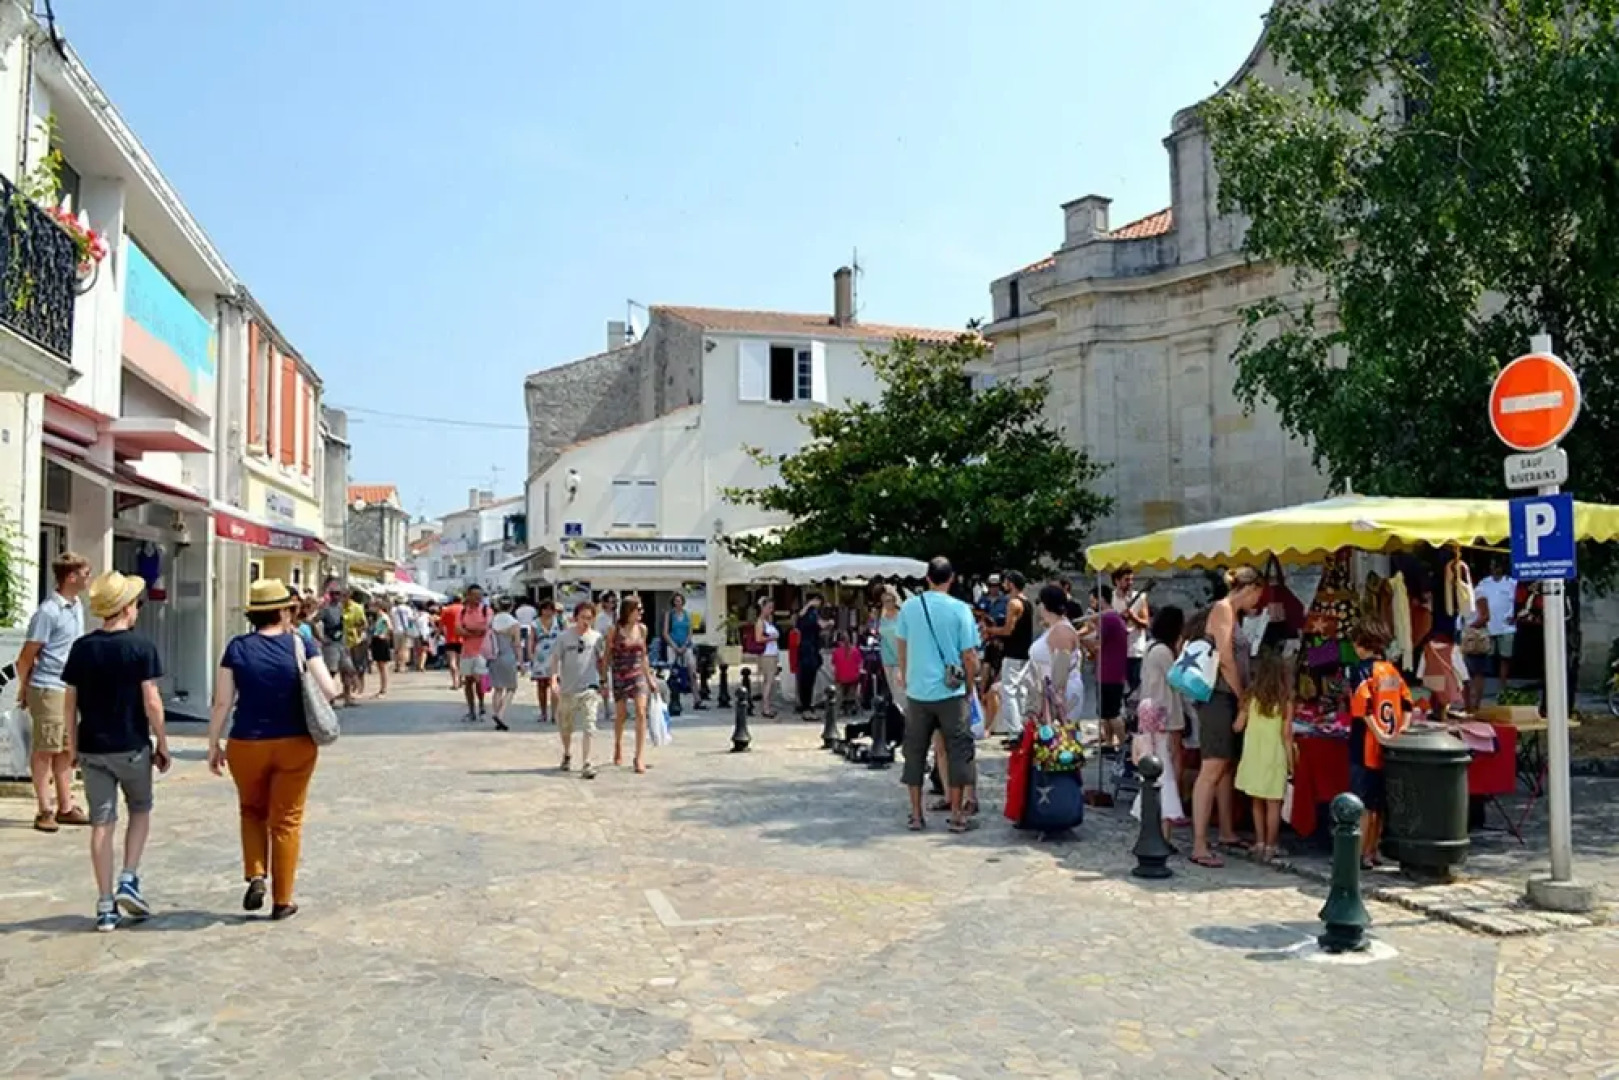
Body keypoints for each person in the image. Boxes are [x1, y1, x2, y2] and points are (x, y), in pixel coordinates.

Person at [207, 579, 341, 921]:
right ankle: (283, 900)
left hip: (246, 742)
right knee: (286, 820)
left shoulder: (236, 647)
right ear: (283, 611)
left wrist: (213, 744)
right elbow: (328, 690)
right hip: (295, 742)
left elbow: (222, 701)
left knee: (251, 810)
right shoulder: (301, 644)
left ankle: (256, 874)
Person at [61, 571, 170, 931]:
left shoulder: (82, 647)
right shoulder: (140, 647)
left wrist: (71, 746)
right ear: (125, 608)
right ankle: (129, 876)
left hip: (92, 746)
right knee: (140, 808)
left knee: (101, 823)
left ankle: (105, 903)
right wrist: (163, 742)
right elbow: (151, 700)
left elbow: (70, 702)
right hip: (132, 745)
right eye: (135, 603)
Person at [895, 557, 980, 834]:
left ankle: (916, 814)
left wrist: (907, 679)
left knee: (915, 753)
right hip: (950, 692)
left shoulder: (909, 608)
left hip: (918, 692)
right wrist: (969, 686)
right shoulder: (960, 610)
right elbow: (969, 655)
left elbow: (902, 647)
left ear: (927, 578)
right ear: (951, 578)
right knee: (959, 752)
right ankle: (957, 814)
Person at [1189, 567, 1265, 869]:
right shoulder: (1223, 609)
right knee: (1212, 767)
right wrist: (1242, 695)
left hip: (1226, 697)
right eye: (1259, 592)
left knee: (1224, 766)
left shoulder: (1233, 613)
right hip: (1219, 697)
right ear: (1251, 588)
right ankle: (1198, 843)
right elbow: (1226, 658)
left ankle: (1225, 831)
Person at [18, 551, 92, 832]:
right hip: (48, 685)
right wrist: (23, 688)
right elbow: (28, 655)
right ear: (71, 576)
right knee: (45, 748)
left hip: (69, 686)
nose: (88, 579)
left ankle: (65, 804)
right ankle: (44, 808)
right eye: (85, 573)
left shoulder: (76, 607)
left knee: (65, 747)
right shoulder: (48, 611)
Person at [1349, 623, 1413, 869]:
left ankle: (1358, 854)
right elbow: (1408, 703)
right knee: (1379, 804)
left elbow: (1362, 708)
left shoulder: (1362, 672)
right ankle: (1372, 850)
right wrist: (1400, 730)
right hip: (1389, 743)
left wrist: (1376, 733)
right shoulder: (1391, 672)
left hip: (1365, 743)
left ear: (1361, 645)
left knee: (1362, 803)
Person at [1234, 641, 1296, 862]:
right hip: (1274, 755)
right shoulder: (1284, 701)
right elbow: (1286, 735)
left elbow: (1238, 726)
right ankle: (1271, 845)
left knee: (1256, 801)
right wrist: (1291, 763)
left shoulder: (1251, 697)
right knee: (1273, 804)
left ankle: (1259, 842)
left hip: (1253, 754)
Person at [1134, 605, 1189, 834]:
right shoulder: (1164, 652)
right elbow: (1178, 679)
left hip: (1152, 710)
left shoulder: (1150, 648)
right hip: (1166, 711)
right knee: (1170, 759)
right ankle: (1170, 804)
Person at [553, 600, 604, 779]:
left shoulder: (597, 638)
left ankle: (587, 762)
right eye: (583, 617)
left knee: (590, 725)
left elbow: (601, 661)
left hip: (589, 687)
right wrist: (554, 680)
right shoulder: (564, 637)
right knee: (566, 726)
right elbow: (555, 660)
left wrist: (604, 681)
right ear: (575, 618)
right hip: (568, 689)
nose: (586, 621)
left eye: (589, 618)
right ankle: (567, 753)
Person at [606, 596, 655, 773]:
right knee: (621, 714)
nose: (641, 612)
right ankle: (618, 744)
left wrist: (649, 678)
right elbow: (607, 656)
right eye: (638, 609)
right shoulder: (614, 630)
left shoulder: (642, 630)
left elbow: (644, 656)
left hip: (637, 674)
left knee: (641, 711)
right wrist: (603, 680)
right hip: (620, 674)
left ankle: (639, 756)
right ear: (628, 611)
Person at [985, 571, 1032, 738]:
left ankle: (1014, 731)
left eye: (1005, 581)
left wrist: (990, 630)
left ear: (1011, 583)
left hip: (1013, 652)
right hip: (1024, 653)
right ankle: (1021, 727)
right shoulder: (1026, 602)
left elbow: (1007, 630)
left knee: (1009, 691)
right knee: (1020, 691)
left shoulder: (1013, 603)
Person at [1474, 558, 1517, 702]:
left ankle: (1502, 686)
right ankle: (1483, 687)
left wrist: (1514, 616)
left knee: (1505, 657)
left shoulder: (1511, 583)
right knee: (1485, 656)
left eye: (1497, 566)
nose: (1495, 569)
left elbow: (1518, 601)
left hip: (1506, 626)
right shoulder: (1484, 583)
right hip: (1488, 626)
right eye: (1493, 566)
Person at [1092, 585, 1128, 753]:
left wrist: (1079, 639)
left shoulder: (1107, 619)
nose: (1091, 602)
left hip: (1110, 672)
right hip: (1109, 671)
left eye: (1093, 598)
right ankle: (1108, 743)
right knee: (1105, 712)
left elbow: (1097, 645)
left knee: (1112, 712)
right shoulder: (1111, 618)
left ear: (1100, 598)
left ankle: (1123, 744)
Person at [1112, 566, 1151, 694]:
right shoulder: (1110, 599)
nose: (1130, 583)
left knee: (1136, 690)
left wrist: (1132, 617)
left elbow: (1146, 623)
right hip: (1117, 651)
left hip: (1135, 651)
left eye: (1131, 579)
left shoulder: (1139, 598)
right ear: (1117, 581)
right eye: (1126, 579)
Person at [313, 582, 352, 707]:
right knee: (331, 671)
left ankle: (347, 697)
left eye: (338, 594)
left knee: (348, 670)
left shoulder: (341, 607)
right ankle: (329, 699)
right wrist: (320, 638)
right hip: (331, 644)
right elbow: (313, 622)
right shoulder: (325, 609)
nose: (336, 596)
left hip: (342, 643)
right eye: (333, 594)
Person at [458, 585, 492, 722]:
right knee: (468, 681)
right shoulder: (462, 612)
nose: (478, 598)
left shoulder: (486, 610)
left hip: (482, 651)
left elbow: (485, 628)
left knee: (480, 680)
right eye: (475, 595)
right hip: (467, 652)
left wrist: (469, 631)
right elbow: (459, 630)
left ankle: (482, 705)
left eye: (480, 596)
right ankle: (471, 709)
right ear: (468, 596)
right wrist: (473, 632)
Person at [487, 597, 521, 731]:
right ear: (511, 607)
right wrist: (521, 662)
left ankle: (496, 715)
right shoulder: (514, 623)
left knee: (498, 688)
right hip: (508, 656)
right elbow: (517, 644)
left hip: (494, 656)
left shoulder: (491, 621)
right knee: (511, 687)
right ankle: (500, 714)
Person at [530, 599, 562, 724]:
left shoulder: (558, 622)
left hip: (555, 656)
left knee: (555, 685)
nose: (547, 612)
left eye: (550, 609)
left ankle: (554, 713)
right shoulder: (535, 624)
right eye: (545, 609)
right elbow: (531, 640)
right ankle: (543, 712)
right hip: (540, 657)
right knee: (541, 686)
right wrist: (531, 654)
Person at [795, 595, 825, 716]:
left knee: (808, 679)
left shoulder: (814, 613)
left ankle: (806, 703)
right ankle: (805, 704)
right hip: (807, 649)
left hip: (810, 649)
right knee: (806, 678)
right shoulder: (808, 613)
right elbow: (800, 618)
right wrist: (808, 605)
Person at [876, 587, 905, 715]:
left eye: (889, 600)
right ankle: (897, 716)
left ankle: (904, 715)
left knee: (900, 690)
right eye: (884, 601)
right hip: (886, 657)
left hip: (899, 657)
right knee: (893, 690)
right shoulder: (882, 617)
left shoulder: (901, 616)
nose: (887, 604)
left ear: (894, 601)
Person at [662, 592, 697, 691]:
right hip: (673, 645)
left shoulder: (688, 615)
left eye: (680, 601)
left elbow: (690, 633)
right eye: (676, 601)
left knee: (692, 668)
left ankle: (696, 695)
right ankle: (672, 694)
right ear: (673, 602)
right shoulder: (669, 615)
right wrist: (675, 647)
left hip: (685, 646)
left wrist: (684, 646)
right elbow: (665, 633)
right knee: (672, 670)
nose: (678, 603)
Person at [755, 598, 782, 719]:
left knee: (770, 681)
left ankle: (767, 705)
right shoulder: (760, 622)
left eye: (772, 607)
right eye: (769, 607)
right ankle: (765, 707)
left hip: (772, 653)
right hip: (767, 654)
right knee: (769, 681)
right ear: (763, 608)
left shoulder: (768, 621)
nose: (771, 610)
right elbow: (758, 638)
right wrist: (772, 638)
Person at [343, 589, 369, 698]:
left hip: (355, 641)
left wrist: (356, 631)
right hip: (342, 641)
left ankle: (359, 688)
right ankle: (348, 691)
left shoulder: (357, 608)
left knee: (357, 665)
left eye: (344, 596)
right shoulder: (339, 608)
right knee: (345, 667)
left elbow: (364, 624)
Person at [832, 632, 863, 714]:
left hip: (840, 679)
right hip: (853, 678)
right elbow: (860, 664)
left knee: (839, 687)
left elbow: (834, 664)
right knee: (853, 687)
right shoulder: (855, 651)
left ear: (839, 642)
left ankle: (838, 708)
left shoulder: (836, 652)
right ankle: (851, 705)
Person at [439, 592, 465, 689]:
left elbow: (441, 625)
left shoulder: (447, 610)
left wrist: (437, 635)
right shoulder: (465, 610)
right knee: (461, 662)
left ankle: (455, 682)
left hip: (450, 639)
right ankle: (461, 680)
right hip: (463, 638)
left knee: (452, 662)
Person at [369, 601, 393, 698]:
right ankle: (381, 688)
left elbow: (390, 627)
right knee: (379, 666)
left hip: (381, 641)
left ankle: (384, 689)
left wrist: (384, 634)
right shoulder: (377, 618)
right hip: (376, 640)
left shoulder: (384, 617)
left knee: (383, 667)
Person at [390, 595, 416, 672]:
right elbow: (411, 620)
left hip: (396, 631)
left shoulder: (393, 609)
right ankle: (403, 666)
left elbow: (392, 619)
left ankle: (397, 665)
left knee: (397, 649)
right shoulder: (408, 609)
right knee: (405, 649)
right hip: (405, 631)